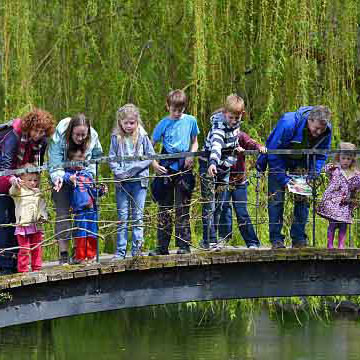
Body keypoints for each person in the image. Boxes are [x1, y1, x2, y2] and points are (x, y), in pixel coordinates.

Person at [256, 106, 332, 249]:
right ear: (310, 119)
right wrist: (283, 179)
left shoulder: (326, 129)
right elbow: (273, 152)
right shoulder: (288, 123)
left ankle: (298, 238)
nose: (318, 133)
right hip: (279, 161)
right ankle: (276, 239)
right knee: (276, 200)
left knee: (303, 200)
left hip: (302, 163)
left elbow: (321, 154)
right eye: (316, 128)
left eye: (321, 129)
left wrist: (313, 173)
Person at [0, 109, 54, 274]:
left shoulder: (42, 142)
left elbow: (37, 167)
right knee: (5, 221)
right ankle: (5, 266)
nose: (38, 134)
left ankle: (16, 265)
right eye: (36, 130)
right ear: (29, 127)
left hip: (23, 182)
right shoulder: (13, 136)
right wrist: (13, 180)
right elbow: (4, 166)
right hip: (5, 180)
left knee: (21, 222)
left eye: (42, 131)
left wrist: (32, 183)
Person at [149, 89, 199, 255]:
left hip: (184, 167)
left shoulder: (191, 121)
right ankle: (162, 247)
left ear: (184, 107)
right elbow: (150, 146)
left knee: (182, 206)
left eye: (180, 109)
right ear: (168, 106)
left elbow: (195, 142)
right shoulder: (162, 124)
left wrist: (191, 154)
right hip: (166, 167)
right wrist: (154, 164)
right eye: (174, 110)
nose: (177, 113)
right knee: (164, 207)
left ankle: (184, 245)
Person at [48, 113, 103, 265]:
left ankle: (81, 252)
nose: (80, 138)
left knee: (85, 216)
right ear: (70, 131)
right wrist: (65, 177)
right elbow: (54, 165)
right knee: (63, 214)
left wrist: (91, 176)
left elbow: (97, 157)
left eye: (83, 135)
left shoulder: (92, 137)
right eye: (77, 135)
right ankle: (64, 252)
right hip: (62, 178)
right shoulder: (59, 137)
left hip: (83, 179)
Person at [109, 104, 155, 259]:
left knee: (138, 216)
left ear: (137, 122)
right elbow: (111, 158)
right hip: (122, 182)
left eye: (132, 123)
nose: (129, 126)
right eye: (126, 123)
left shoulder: (143, 136)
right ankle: (121, 251)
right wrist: (119, 172)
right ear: (120, 122)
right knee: (122, 216)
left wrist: (133, 169)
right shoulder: (116, 137)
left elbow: (150, 156)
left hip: (139, 181)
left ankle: (137, 250)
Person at [199, 94, 244, 249]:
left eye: (236, 118)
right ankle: (209, 240)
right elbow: (217, 145)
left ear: (241, 115)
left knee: (220, 204)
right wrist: (212, 163)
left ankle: (214, 237)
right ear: (225, 113)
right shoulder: (218, 127)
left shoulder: (236, 125)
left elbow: (232, 138)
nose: (233, 121)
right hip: (209, 166)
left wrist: (236, 146)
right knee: (209, 204)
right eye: (230, 117)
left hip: (224, 168)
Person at [219, 132, 267, 248]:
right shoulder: (217, 135)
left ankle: (252, 242)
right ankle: (223, 239)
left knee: (242, 212)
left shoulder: (240, 135)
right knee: (223, 209)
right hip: (222, 180)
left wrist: (259, 147)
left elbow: (250, 142)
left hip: (239, 180)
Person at [63, 148, 107, 264]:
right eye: (77, 160)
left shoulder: (88, 175)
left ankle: (91, 256)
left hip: (92, 209)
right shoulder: (70, 175)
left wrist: (101, 191)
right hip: (80, 210)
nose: (80, 163)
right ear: (70, 161)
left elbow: (93, 191)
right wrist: (71, 178)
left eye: (82, 160)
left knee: (92, 232)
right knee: (81, 233)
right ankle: (81, 257)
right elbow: (65, 178)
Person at [317, 142, 360, 249]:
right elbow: (325, 170)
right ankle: (330, 245)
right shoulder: (335, 169)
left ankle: (341, 245)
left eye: (348, 159)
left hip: (344, 202)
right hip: (333, 200)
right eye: (343, 158)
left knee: (343, 224)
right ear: (339, 157)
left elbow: (355, 186)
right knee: (333, 222)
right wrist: (332, 166)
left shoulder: (354, 173)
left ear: (352, 160)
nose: (345, 161)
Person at [9, 164, 47, 272]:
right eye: (29, 180)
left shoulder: (38, 193)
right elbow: (12, 192)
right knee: (24, 249)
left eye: (35, 180)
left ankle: (37, 267)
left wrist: (43, 217)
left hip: (36, 225)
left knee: (37, 247)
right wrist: (16, 184)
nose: (32, 183)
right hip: (23, 225)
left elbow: (42, 207)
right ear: (22, 179)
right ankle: (23, 269)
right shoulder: (19, 191)